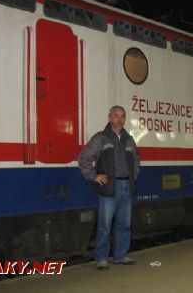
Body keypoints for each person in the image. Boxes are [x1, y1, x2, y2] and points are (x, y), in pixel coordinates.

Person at [78, 106, 140, 270]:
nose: (119, 119)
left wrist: (133, 177)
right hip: (109, 187)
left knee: (124, 224)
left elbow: (136, 160)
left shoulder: (129, 139)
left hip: (126, 186)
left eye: (122, 116)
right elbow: (84, 158)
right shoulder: (101, 138)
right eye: (116, 116)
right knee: (105, 225)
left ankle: (120, 256)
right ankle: (101, 258)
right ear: (109, 117)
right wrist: (94, 176)